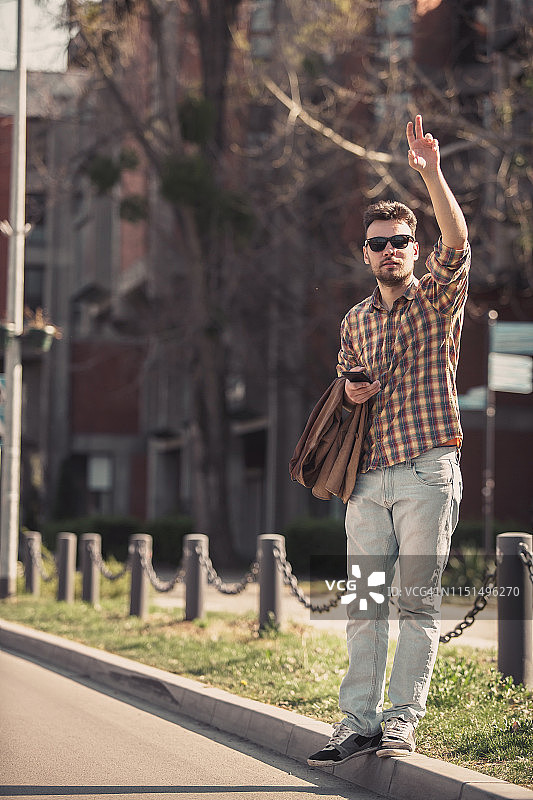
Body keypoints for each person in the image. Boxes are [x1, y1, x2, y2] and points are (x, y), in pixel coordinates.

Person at [307, 114, 470, 766]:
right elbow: (345, 386)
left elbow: (457, 240)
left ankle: (401, 721)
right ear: (366, 254)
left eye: (401, 240)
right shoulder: (354, 320)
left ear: (413, 248)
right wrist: (350, 392)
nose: (390, 250)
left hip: (428, 469)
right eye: (379, 243)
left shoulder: (437, 299)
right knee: (365, 607)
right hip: (368, 481)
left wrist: (431, 173)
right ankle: (357, 722)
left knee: (416, 606)